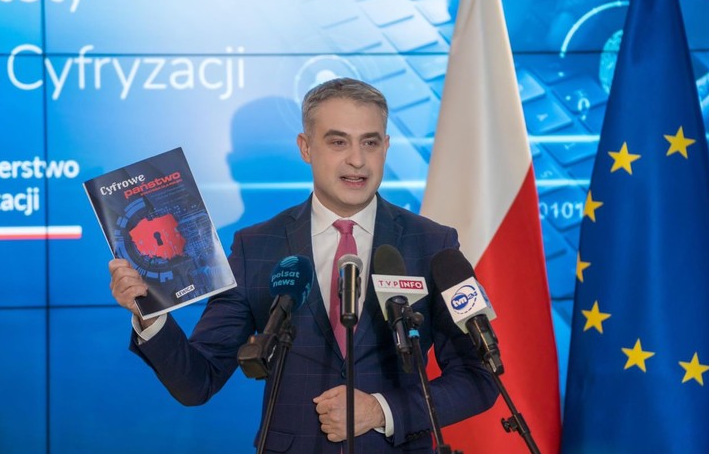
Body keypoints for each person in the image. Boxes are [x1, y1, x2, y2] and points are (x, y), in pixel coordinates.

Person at [109, 78, 498, 453]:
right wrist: (150, 315)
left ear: (386, 146)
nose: (357, 160)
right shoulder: (255, 247)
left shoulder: (432, 244)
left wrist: (381, 410)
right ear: (306, 147)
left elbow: (479, 378)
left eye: (370, 142)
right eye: (338, 142)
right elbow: (197, 381)